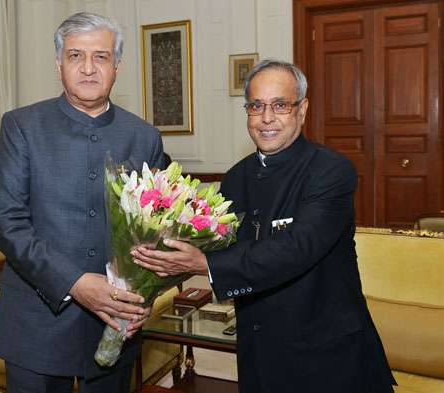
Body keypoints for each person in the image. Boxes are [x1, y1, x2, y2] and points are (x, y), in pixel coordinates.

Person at [133, 58, 396, 393]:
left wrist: (206, 264)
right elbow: (213, 247)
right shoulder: (235, 179)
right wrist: (146, 279)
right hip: (260, 356)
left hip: (328, 360)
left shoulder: (331, 171)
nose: (267, 118)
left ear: (302, 110)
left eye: (280, 105)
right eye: (256, 106)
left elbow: (298, 247)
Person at [0, 12, 165, 393]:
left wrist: (145, 295)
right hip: (36, 323)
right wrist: (76, 283)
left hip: (116, 324)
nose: (87, 68)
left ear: (116, 66)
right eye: (75, 56)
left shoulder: (145, 136)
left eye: (100, 57)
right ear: (58, 64)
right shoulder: (21, 126)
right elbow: (6, 222)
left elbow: (157, 230)